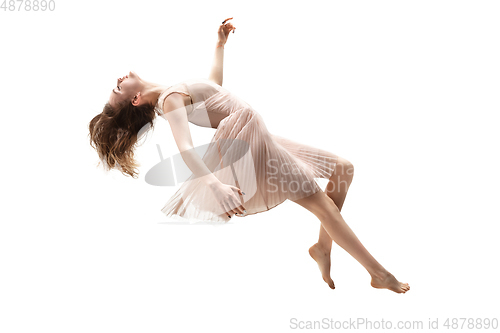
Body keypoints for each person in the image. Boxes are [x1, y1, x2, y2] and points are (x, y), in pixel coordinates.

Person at [88, 17, 410, 294]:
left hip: (262, 137)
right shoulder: (170, 100)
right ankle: (378, 274)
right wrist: (216, 186)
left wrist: (219, 45)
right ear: (134, 100)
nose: (118, 81)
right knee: (321, 204)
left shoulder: (172, 90)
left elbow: (215, 87)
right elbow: (186, 148)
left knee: (343, 169)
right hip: (251, 145)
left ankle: (322, 248)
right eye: (118, 89)